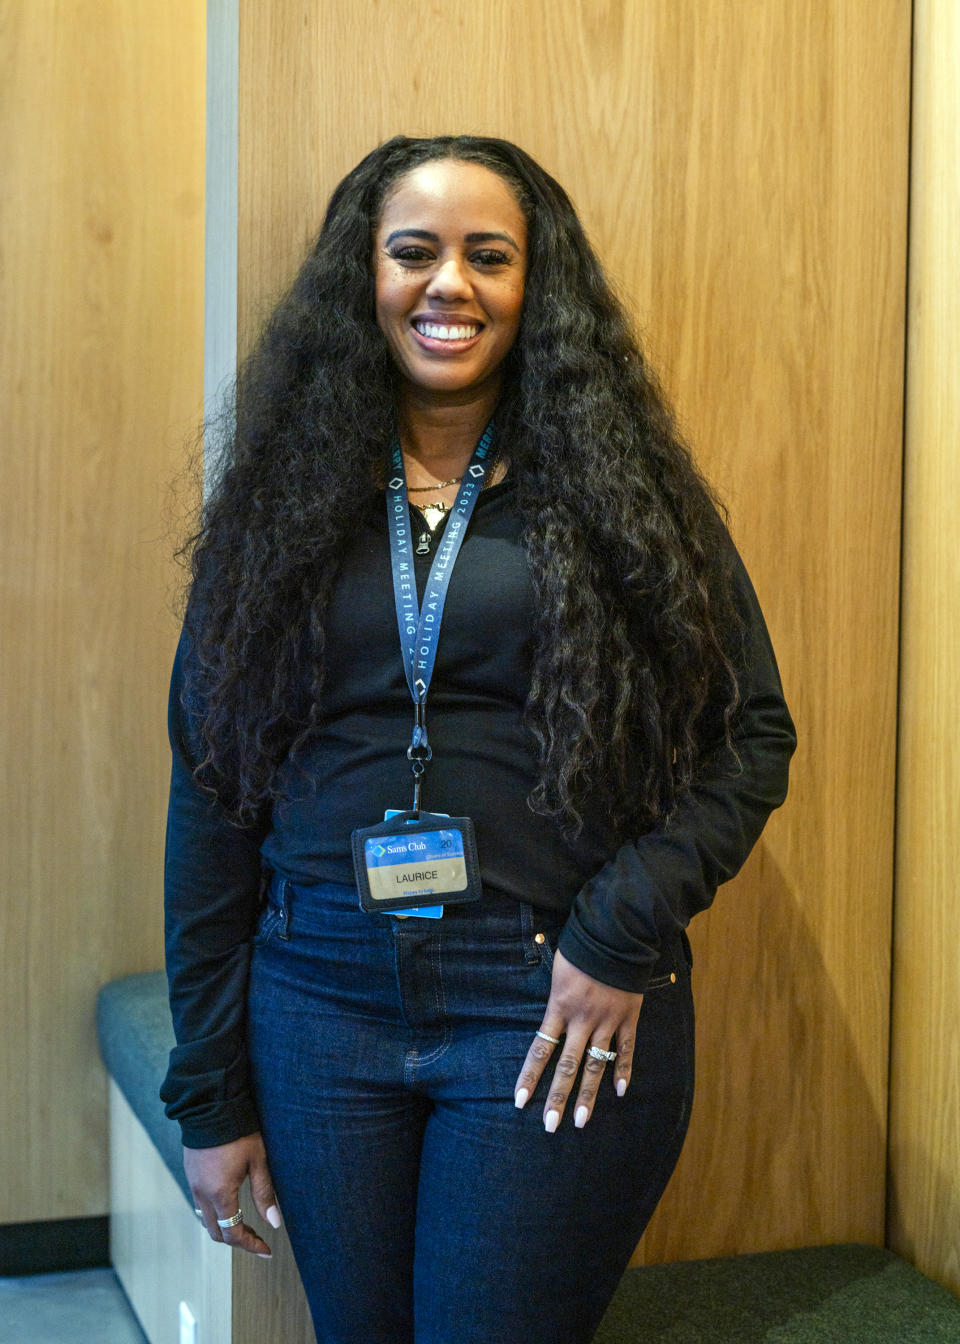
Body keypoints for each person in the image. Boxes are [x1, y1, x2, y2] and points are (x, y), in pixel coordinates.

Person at [161, 134, 796, 1344]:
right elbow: (212, 791)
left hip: (551, 992)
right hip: (318, 997)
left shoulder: (625, 494)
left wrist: (621, 930)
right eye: (415, 253)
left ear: (532, 287)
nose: (449, 284)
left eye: (487, 257)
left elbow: (748, 735)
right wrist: (210, 1091)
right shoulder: (283, 497)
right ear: (367, 280)